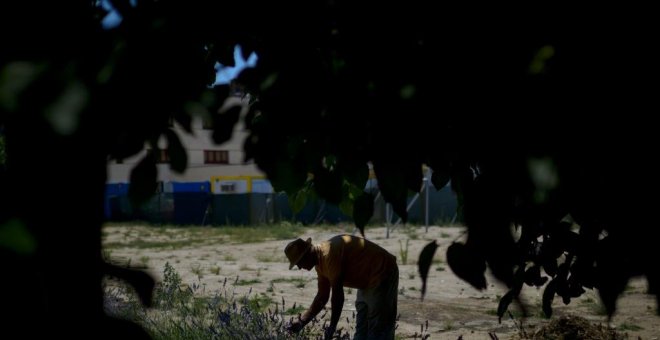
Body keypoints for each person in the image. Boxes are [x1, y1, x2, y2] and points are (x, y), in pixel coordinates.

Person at [284, 234, 399, 340]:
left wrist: (332, 326)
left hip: (382, 270)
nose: (299, 267)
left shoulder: (329, 254)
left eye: (298, 262)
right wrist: (302, 322)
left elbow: (338, 296)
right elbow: (322, 296)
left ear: (306, 254)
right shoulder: (320, 265)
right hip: (366, 280)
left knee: (378, 328)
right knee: (362, 330)